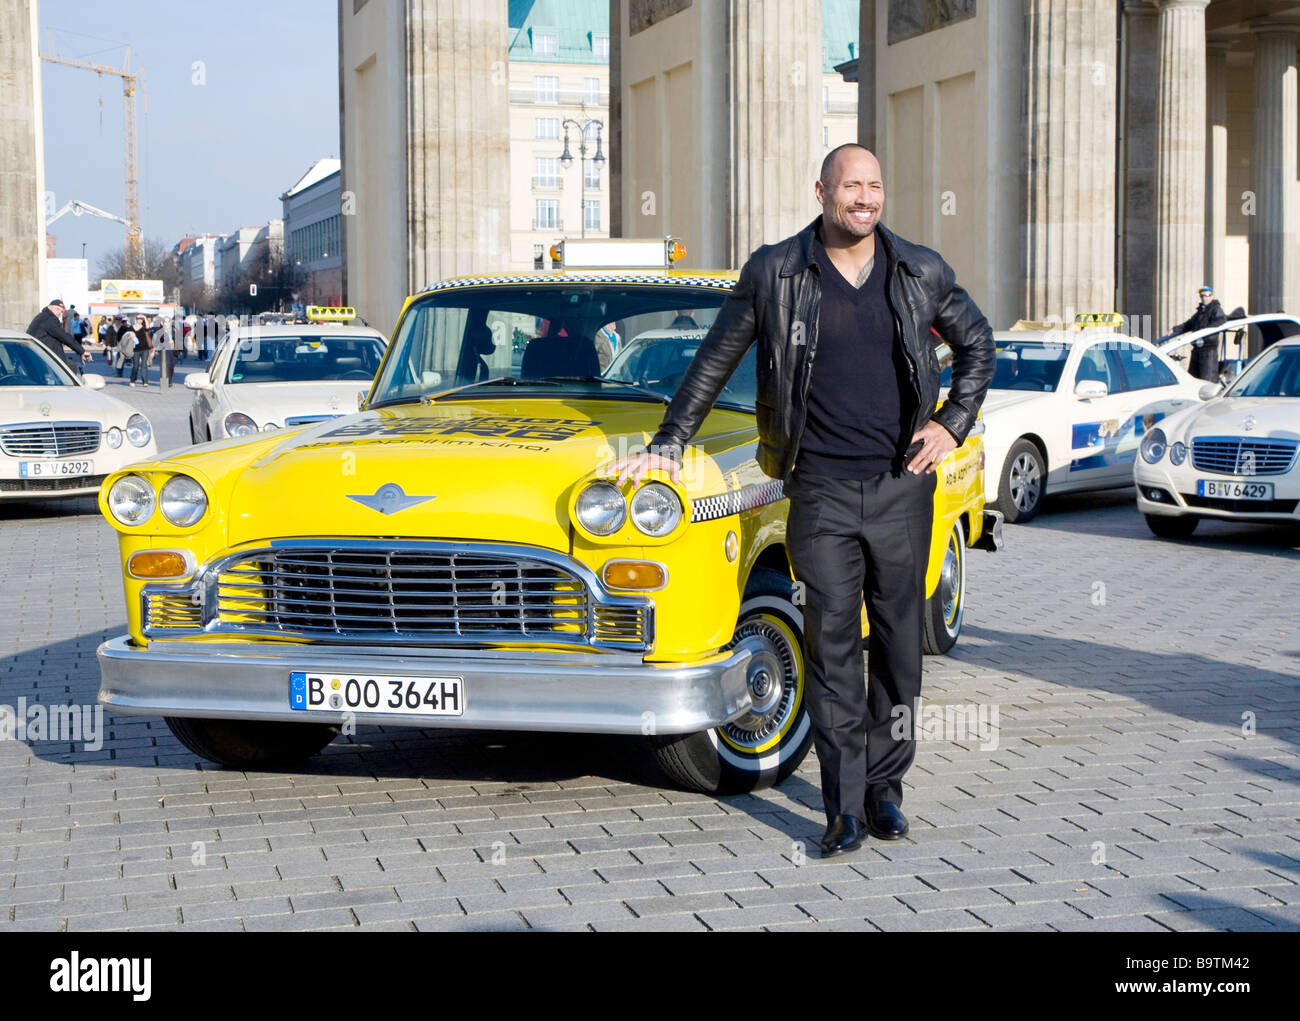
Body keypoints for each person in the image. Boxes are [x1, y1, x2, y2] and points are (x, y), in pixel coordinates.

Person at [613, 144, 995, 857]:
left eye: (875, 186)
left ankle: (886, 786)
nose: (865, 198)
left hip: (901, 486)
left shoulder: (920, 269)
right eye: (852, 185)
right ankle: (843, 804)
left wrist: (951, 422)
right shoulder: (776, 271)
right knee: (831, 648)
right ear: (821, 190)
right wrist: (669, 441)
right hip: (817, 487)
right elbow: (715, 359)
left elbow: (979, 345)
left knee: (899, 649)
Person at [1169, 286, 1227, 383]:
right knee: (1193, 378)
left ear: (1211, 296)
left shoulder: (1216, 309)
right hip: (1197, 349)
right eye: (1202, 296)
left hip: (1208, 350)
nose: (1204, 298)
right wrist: (1174, 330)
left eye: (1206, 295)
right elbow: (1189, 324)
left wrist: (1204, 333)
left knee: (1207, 379)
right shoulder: (1201, 311)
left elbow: (1221, 320)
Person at [26, 298, 90, 375]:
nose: (60, 313)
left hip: (37, 354)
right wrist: (81, 351)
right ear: (50, 307)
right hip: (45, 355)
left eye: (61, 311)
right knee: (70, 367)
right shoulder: (50, 319)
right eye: (57, 309)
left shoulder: (41, 316)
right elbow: (64, 336)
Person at [127, 314, 153, 386]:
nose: (140, 320)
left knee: (144, 365)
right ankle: (132, 380)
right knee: (135, 365)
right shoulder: (131, 328)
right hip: (135, 349)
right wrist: (131, 336)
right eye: (138, 318)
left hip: (144, 348)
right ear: (136, 319)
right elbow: (127, 337)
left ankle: (145, 381)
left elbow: (148, 327)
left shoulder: (144, 327)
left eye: (141, 319)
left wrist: (144, 317)